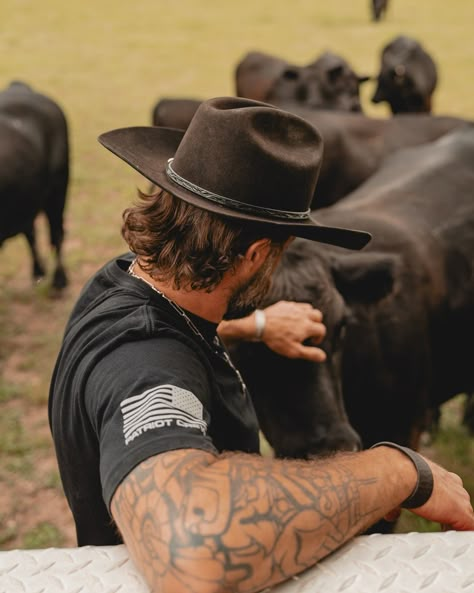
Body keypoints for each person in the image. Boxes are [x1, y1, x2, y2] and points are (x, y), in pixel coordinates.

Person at [49, 97, 474, 593]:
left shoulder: (128, 280)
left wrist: (253, 326)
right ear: (255, 255)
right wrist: (401, 471)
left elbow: (158, 330)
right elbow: (194, 552)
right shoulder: (145, 360)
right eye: (283, 248)